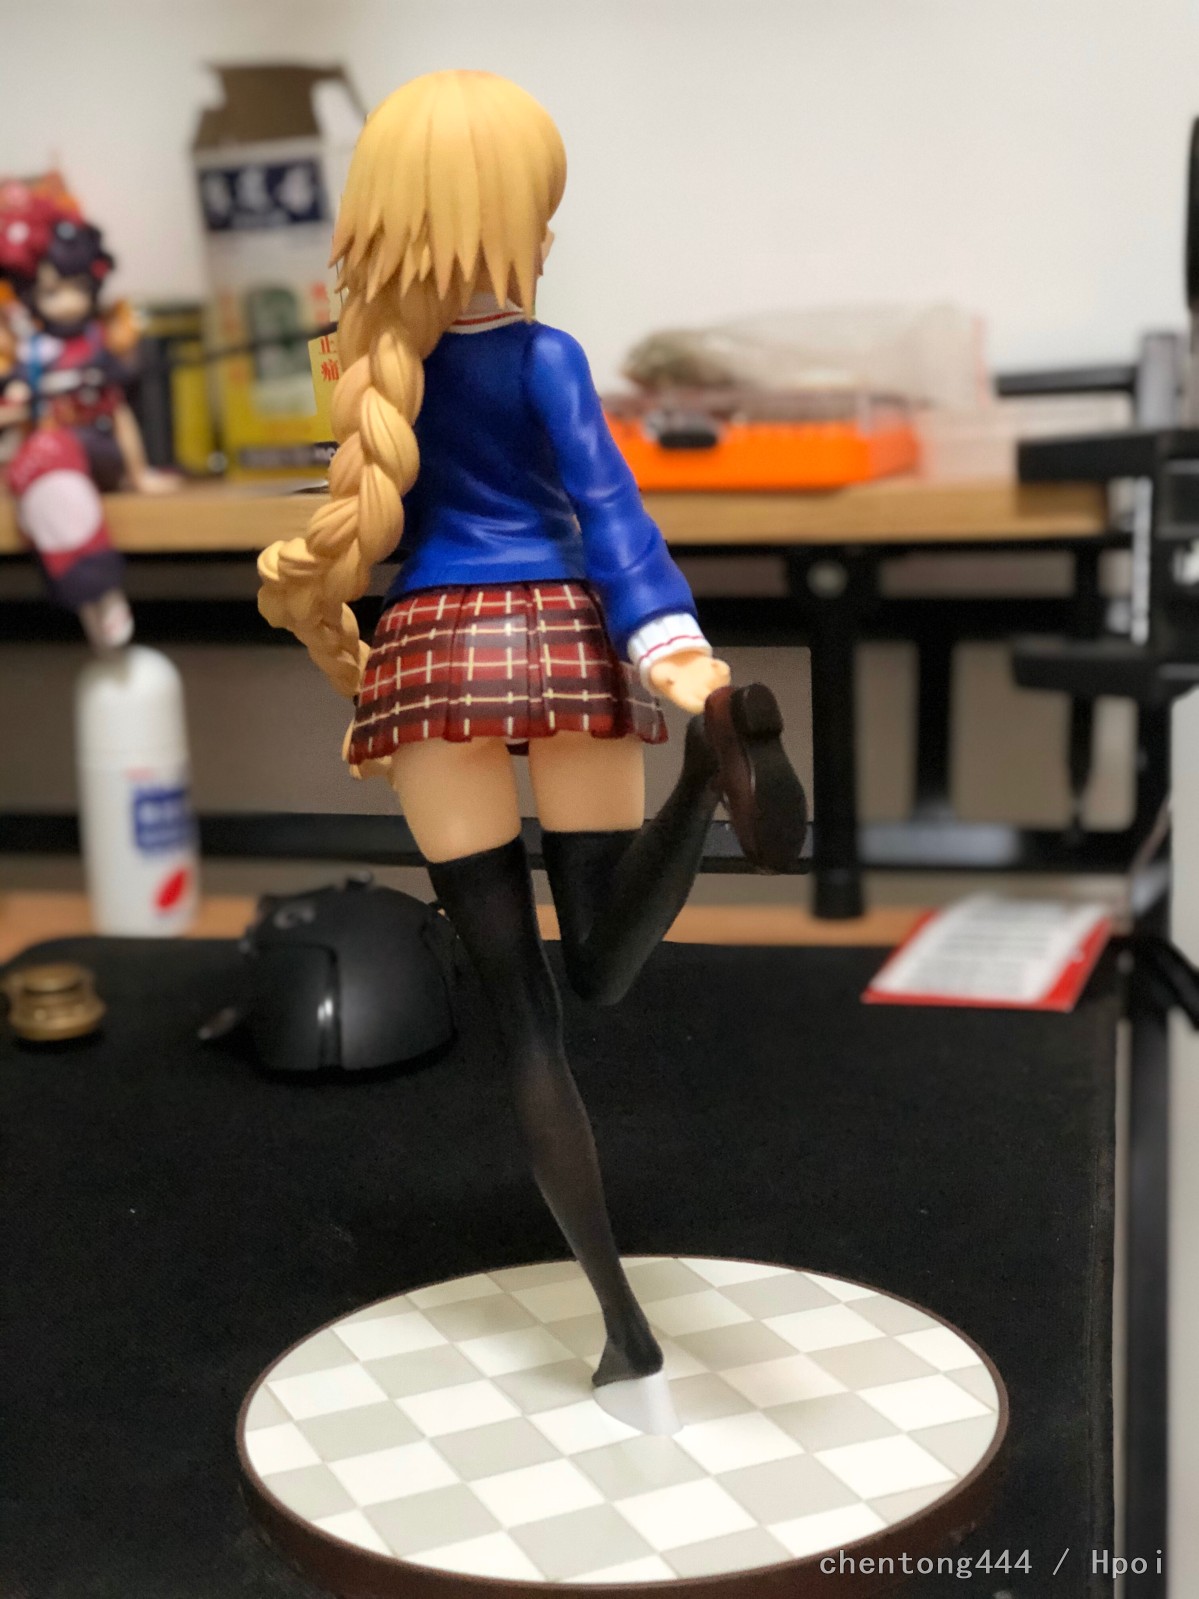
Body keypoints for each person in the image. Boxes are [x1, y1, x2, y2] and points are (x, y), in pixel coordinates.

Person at [257, 70, 807, 1414]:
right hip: (561, 642)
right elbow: (611, 512)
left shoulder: (361, 368)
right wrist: (674, 653)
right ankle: (704, 778)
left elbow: (375, 527)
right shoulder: (545, 359)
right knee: (602, 964)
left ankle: (621, 1325)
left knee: (526, 1024)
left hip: (428, 666)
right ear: (501, 223)